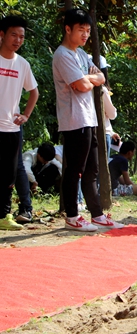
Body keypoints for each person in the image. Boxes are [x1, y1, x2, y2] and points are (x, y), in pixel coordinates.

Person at [53, 9, 124, 231]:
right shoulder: (62, 55)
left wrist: (88, 78)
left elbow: (101, 77)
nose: (85, 35)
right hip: (73, 120)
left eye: (87, 30)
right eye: (81, 30)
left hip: (89, 119)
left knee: (92, 169)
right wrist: (88, 79)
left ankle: (97, 215)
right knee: (75, 169)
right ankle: (72, 217)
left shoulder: (81, 55)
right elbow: (83, 85)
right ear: (68, 29)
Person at [0, 15, 39, 231]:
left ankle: (3, 216)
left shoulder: (22, 64)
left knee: (8, 174)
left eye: (22, 36)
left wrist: (25, 115)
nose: (18, 40)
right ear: (2, 34)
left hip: (11, 127)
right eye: (13, 34)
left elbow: (34, 92)